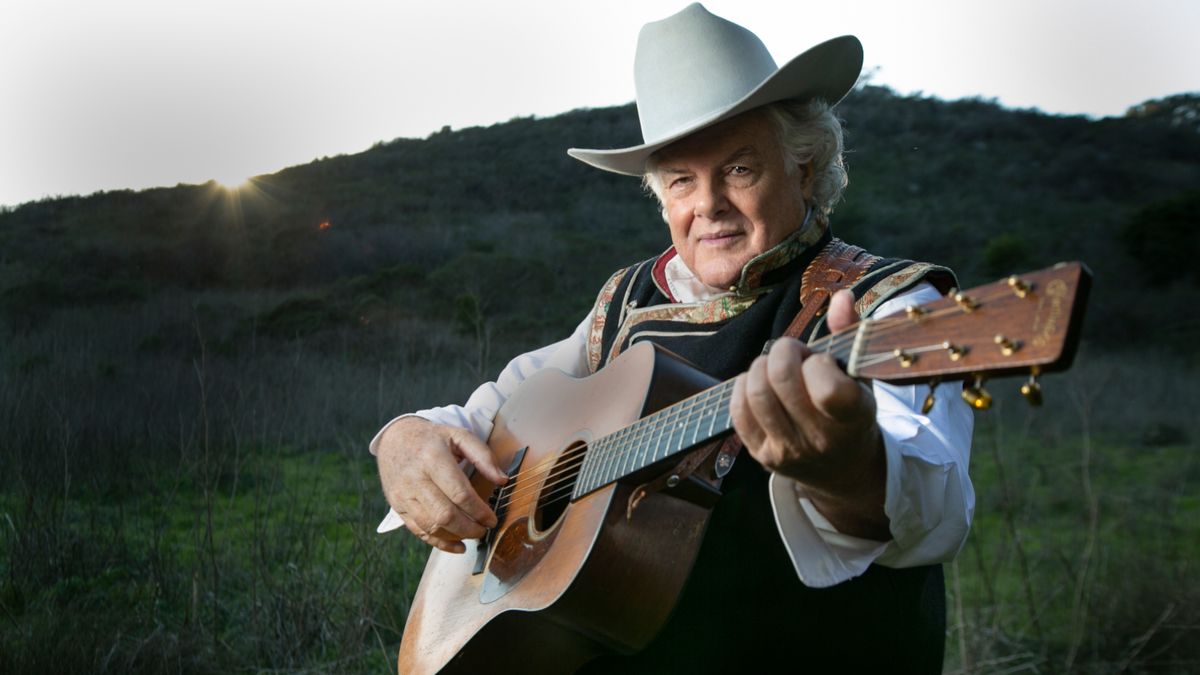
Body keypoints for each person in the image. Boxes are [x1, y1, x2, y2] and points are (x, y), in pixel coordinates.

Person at [372, 4, 974, 671]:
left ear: (804, 167)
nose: (707, 203)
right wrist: (404, 437)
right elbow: (499, 410)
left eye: (740, 169)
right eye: (682, 179)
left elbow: (935, 509)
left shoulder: (889, 305)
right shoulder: (625, 301)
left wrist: (849, 466)